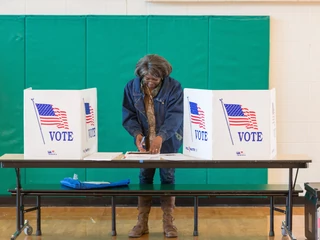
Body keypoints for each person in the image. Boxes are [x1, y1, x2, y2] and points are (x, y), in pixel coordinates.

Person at [122, 54, 184, 238]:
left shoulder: (174, 87)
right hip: (145, 143)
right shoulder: (131, 87)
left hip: (168, 140)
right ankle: (142, 223)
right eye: (147, 78)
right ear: (141, 75)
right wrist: (137, 135)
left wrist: (161, 137)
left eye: (155, 79)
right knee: (144, 177)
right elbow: (129, 115)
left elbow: (176, 116)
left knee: (168, 177)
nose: (150, 82)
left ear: (163, 76)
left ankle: (169, 224)